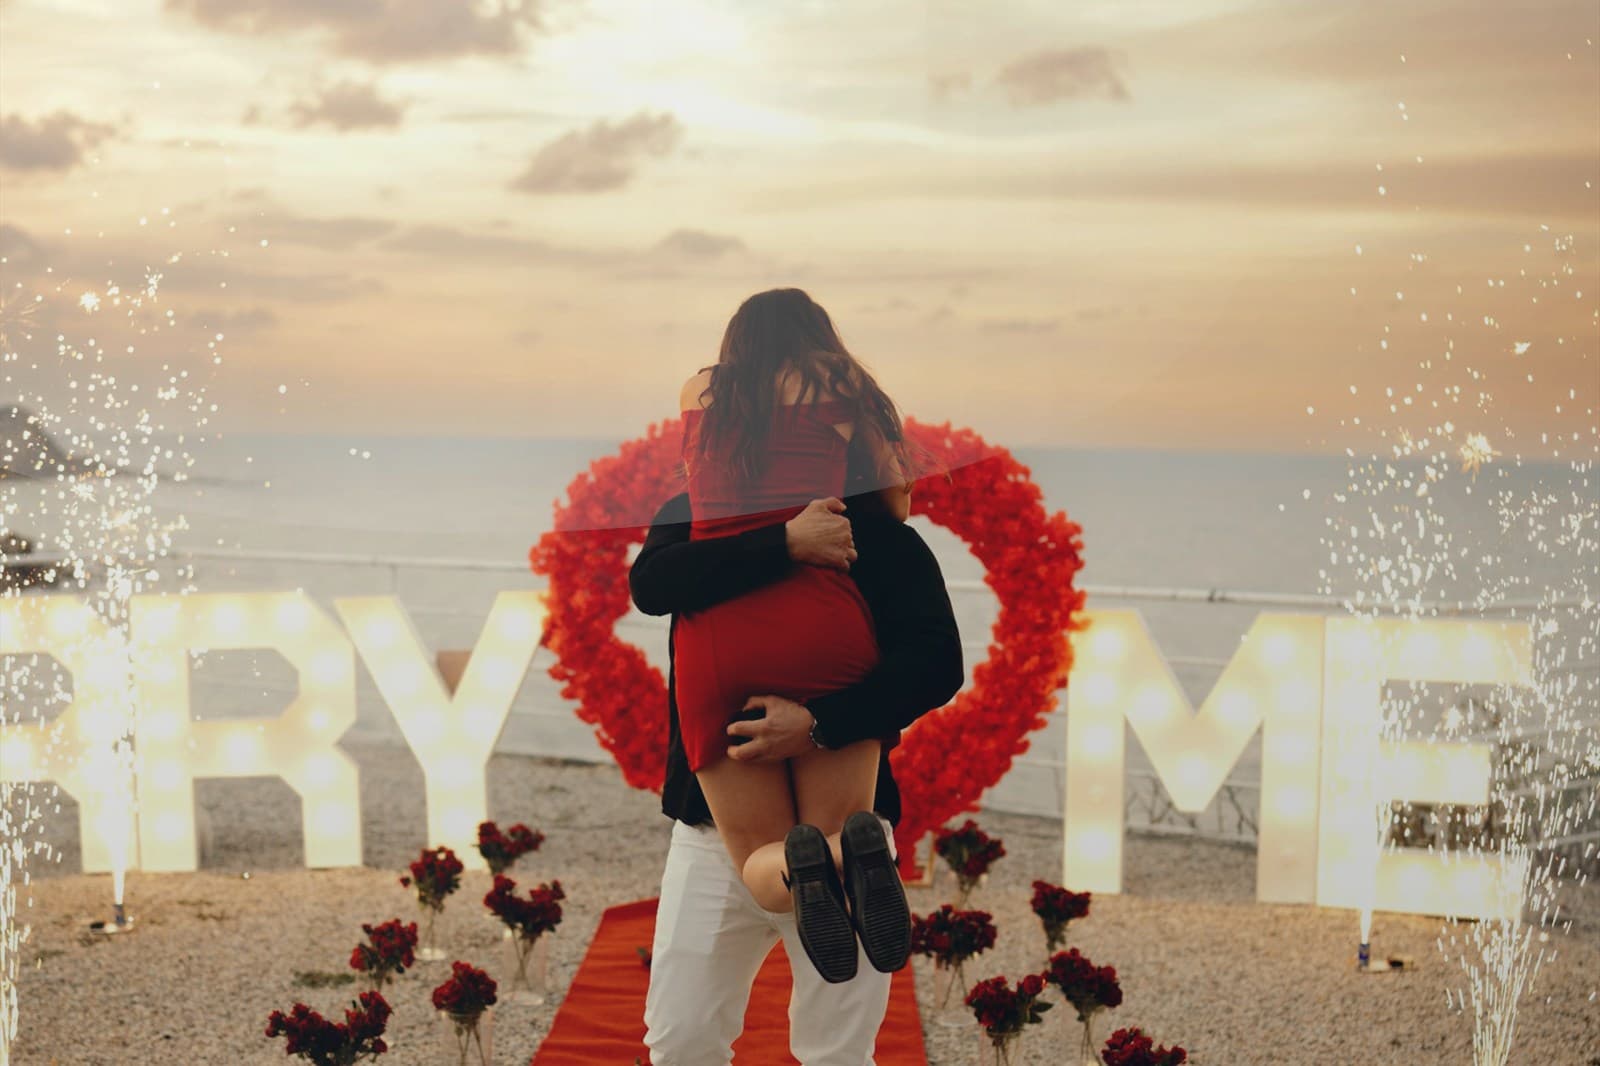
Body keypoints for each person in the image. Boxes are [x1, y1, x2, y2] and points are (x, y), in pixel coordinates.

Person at [631, 490, 962, 1065]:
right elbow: (653, 585)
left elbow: (936, 664)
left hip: (845, 837)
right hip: (715, 833)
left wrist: (817, 724)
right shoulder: (697, 511)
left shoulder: (873, 533)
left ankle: (842, 860)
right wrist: (784, 543)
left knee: (837, 1050)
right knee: (681, 1039)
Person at [673, 288, 919, 983]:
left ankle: (801, 863)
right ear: (817, 333)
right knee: (843, 824)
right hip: (823, 618)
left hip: (720, 634)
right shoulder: (845, 384)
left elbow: (701, 494)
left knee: (757, 859)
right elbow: (895, 503)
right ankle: (855, 851)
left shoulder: (702, 390)